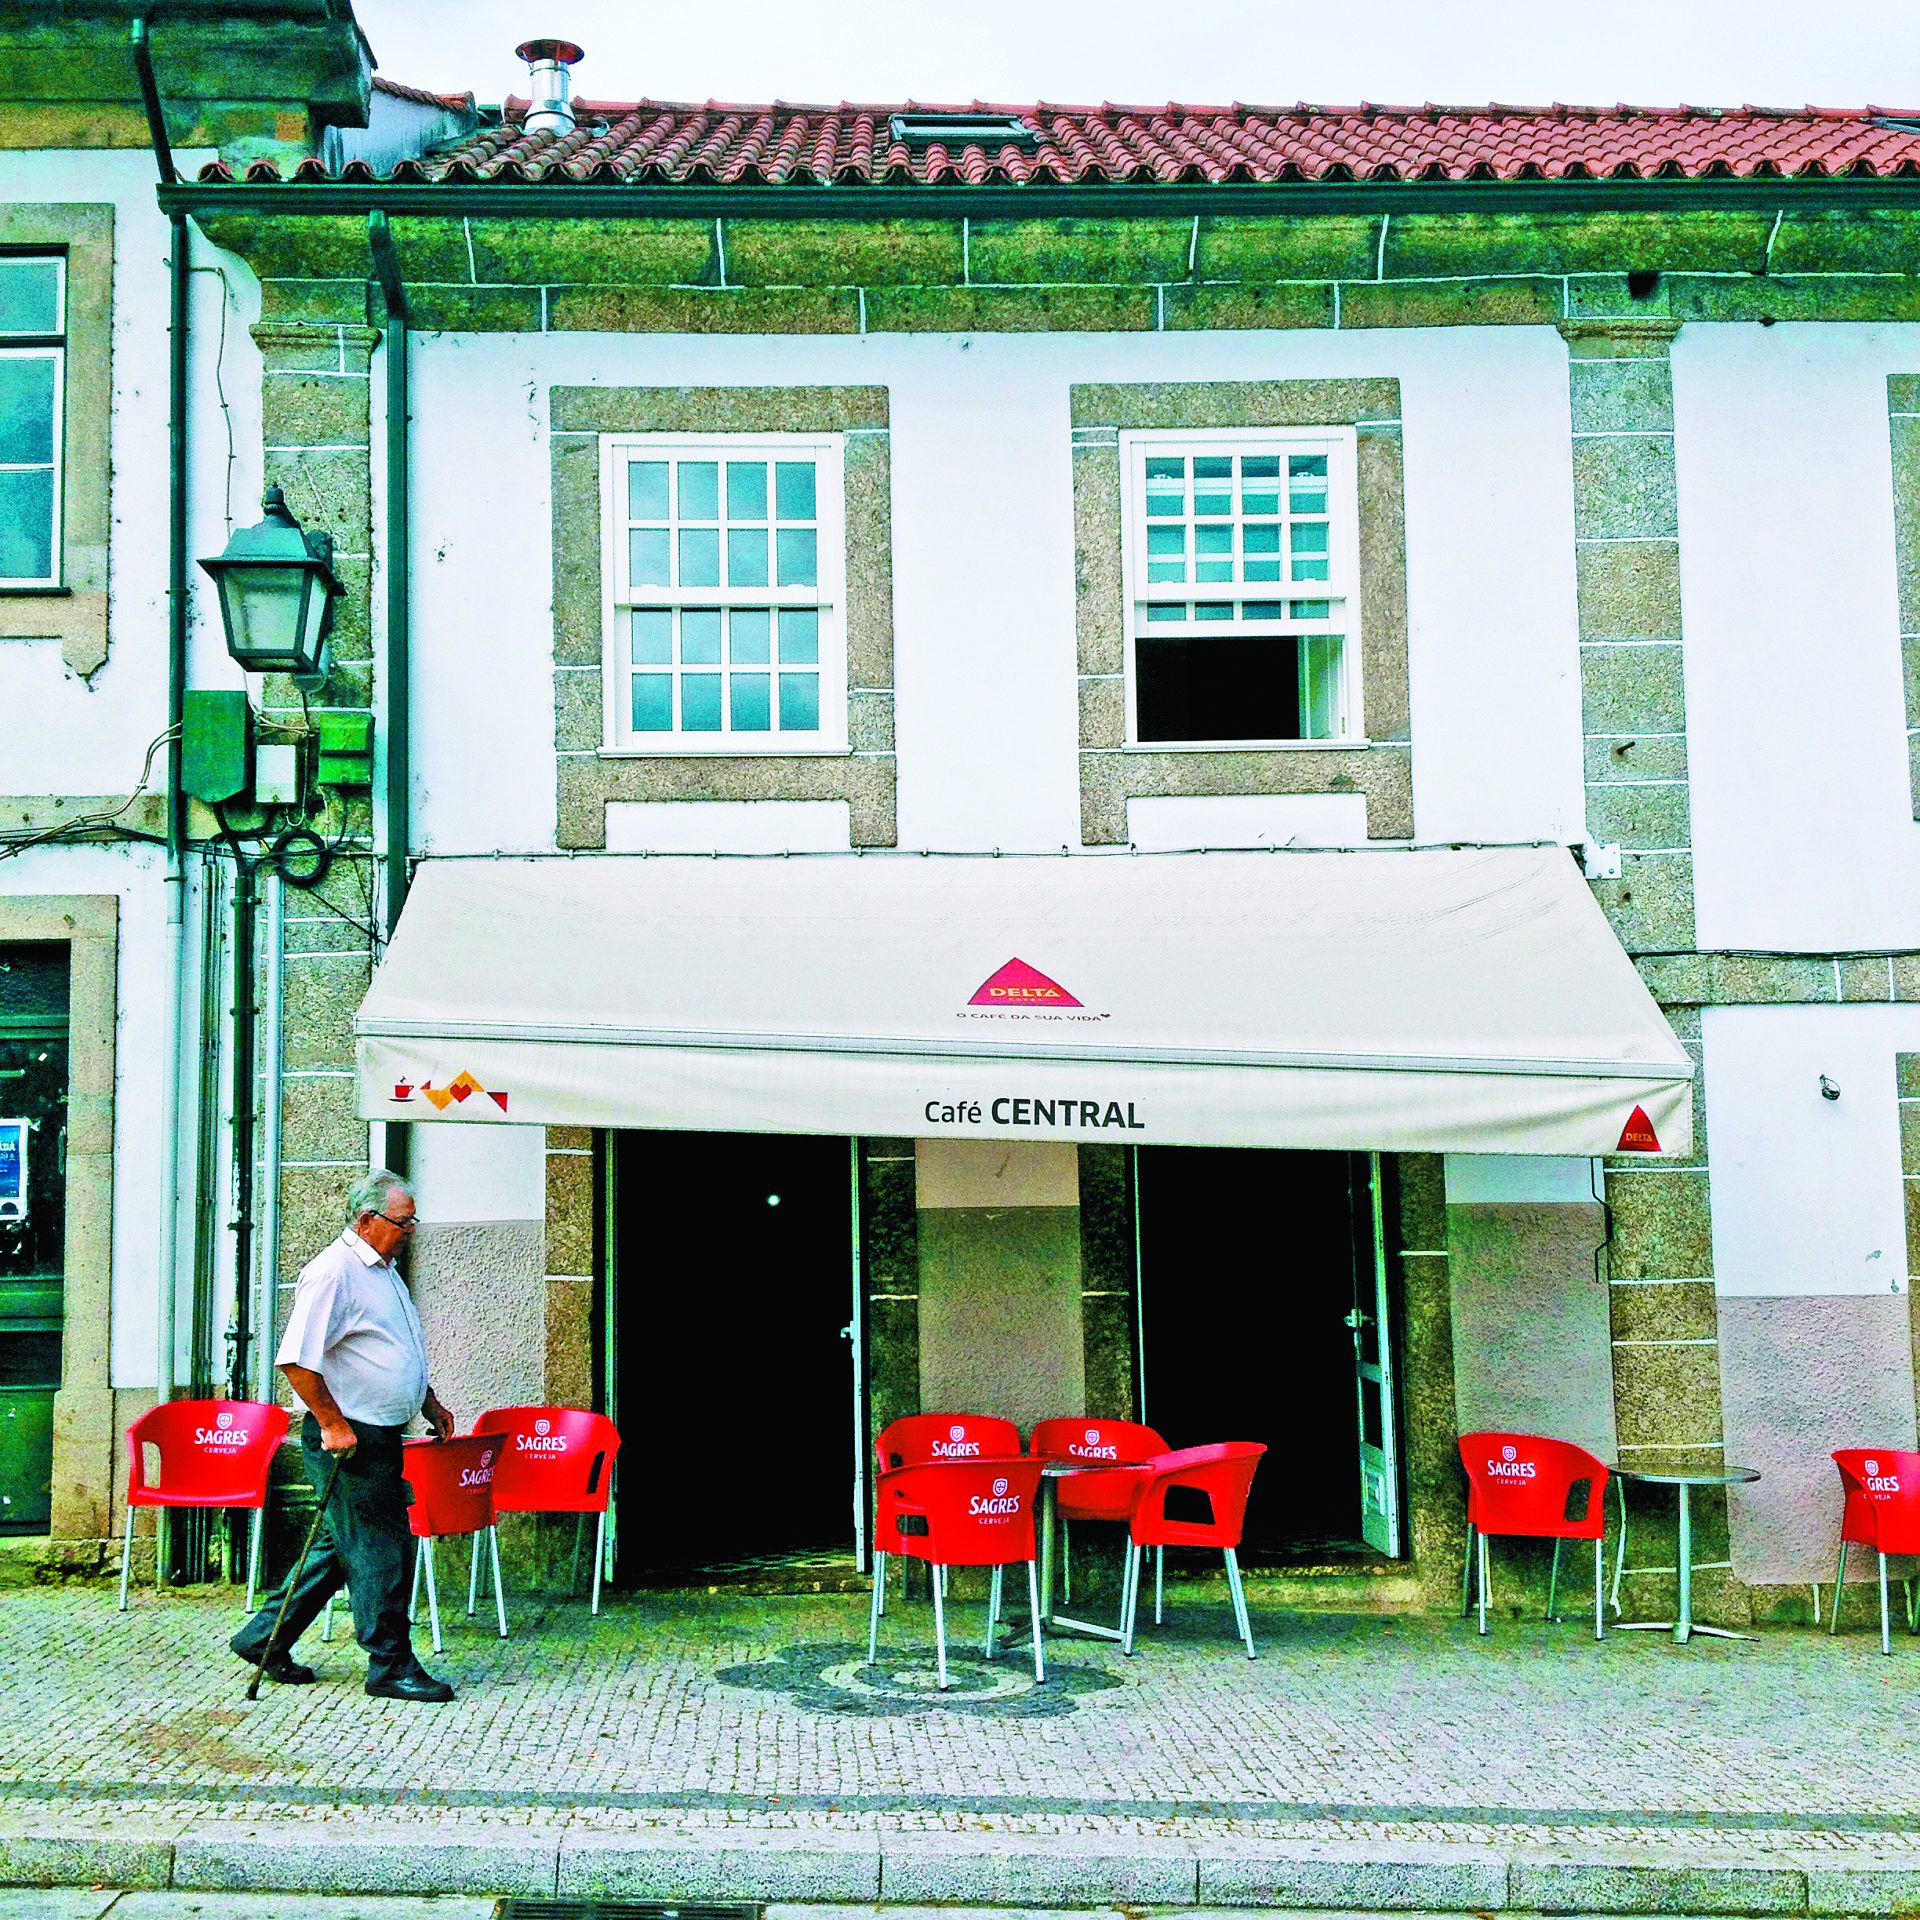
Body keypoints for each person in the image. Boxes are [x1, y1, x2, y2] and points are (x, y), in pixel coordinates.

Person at [230, 1168, 459, 1702]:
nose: (411, 1230)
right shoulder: (333, 1272)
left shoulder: (384, 1270)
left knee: (341, 1546)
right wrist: (333, 1425)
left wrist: (427, 1400)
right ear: (367, 1219)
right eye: (403, 1222)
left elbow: (390, 1348)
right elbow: (296, 1361)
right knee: (382, 1549)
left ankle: (263, 1638)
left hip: (378, 1433)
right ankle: (389, 1665)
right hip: (349, 1438)